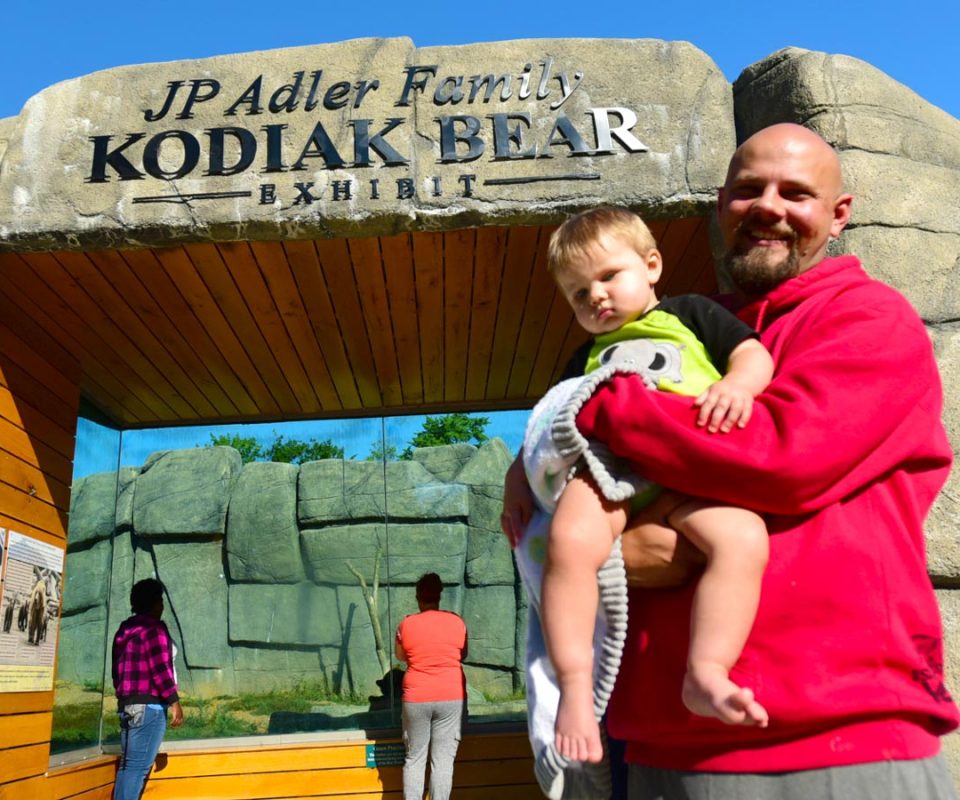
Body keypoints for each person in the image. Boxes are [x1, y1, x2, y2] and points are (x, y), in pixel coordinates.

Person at [503, 122, 959, 798]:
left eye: (796, 193)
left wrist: (603, 408)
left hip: (836, 734)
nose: (769, 206)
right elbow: (557, 476)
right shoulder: (675, 331)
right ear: (722, 207)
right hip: (662, 739)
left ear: (839, 216)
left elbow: (781, 458)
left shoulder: (869, 319)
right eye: (749, 190)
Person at [538, 207, 773, 766]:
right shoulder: (583, 358)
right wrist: (517, 489)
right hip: (607, 468)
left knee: (743, 537)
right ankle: (573, 685)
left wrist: (740, 383)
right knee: (568, 542)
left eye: (608, 277)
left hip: (691, 471)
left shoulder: (690, 315)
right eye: (577, 294)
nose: (594, 296)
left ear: (651, 265)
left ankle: (707, 669)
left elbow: (752, 353)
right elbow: (545, 423)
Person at [395, 573, 468, 800]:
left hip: (416, 697)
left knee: (415, 758)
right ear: (439, 595)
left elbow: (400, 656)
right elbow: (463, 654)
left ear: (418, 597)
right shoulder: (457, 622)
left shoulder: (406, 624)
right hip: (450, 695)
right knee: (443, 761)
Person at [111, 578, 185, 800]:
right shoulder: (154, 629)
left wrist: (124, 697)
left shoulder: (124, 629)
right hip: (149, 708)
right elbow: (160, 668)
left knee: (128, 767)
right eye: (160, 601)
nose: (162, 606)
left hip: (127, 705)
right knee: (137, 770)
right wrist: (175, 702)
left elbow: (116, 671)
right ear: (153, 604)